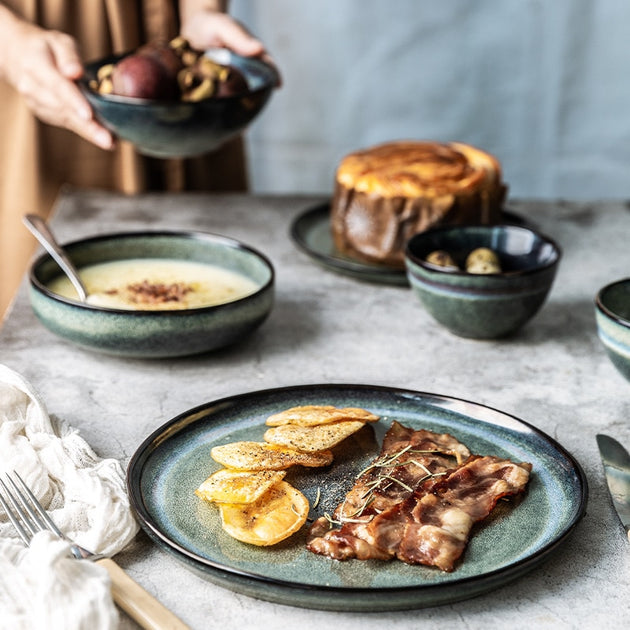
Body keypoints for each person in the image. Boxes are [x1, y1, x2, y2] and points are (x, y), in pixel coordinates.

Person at [0, 0, 274, 320]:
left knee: (220, 287)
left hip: (178, 71)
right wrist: (9, 43)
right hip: (37, 51)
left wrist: (202, 11)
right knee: (38, 316)